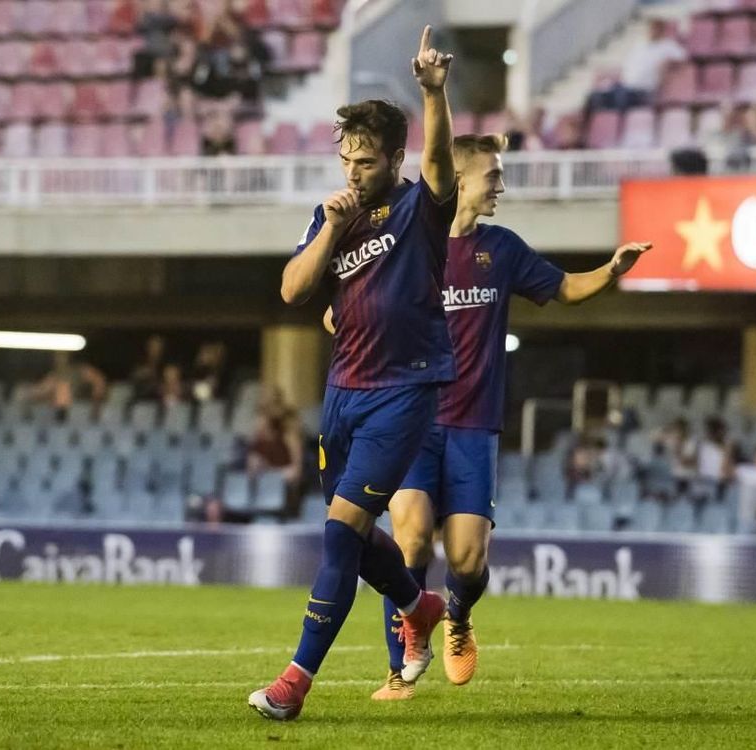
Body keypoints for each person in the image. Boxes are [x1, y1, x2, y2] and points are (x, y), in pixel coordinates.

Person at [326, 133, 651, 699]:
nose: (501, 185)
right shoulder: (404, 240)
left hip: (475, 424)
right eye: (493, 176)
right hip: (410, 417)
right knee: (410, 541)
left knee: (470, 561)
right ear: (461, 179)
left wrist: (611, 270)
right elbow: (346, 306)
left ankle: (457, 615)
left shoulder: (500, 250)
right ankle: (400, 666)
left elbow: (565, 287)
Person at [248, 27, 458, 721]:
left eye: (366, 162)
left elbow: (440, 165)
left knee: (340, 532)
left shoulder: (419, 208)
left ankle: (294, 683)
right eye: (346, 160)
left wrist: (434, 93)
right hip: (344, 393)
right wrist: (334, 229)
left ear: (394, 159)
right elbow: (291, 290)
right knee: (358, 534)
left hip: (405, 390)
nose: (353, 172)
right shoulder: (331, 215)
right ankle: (417, 604)